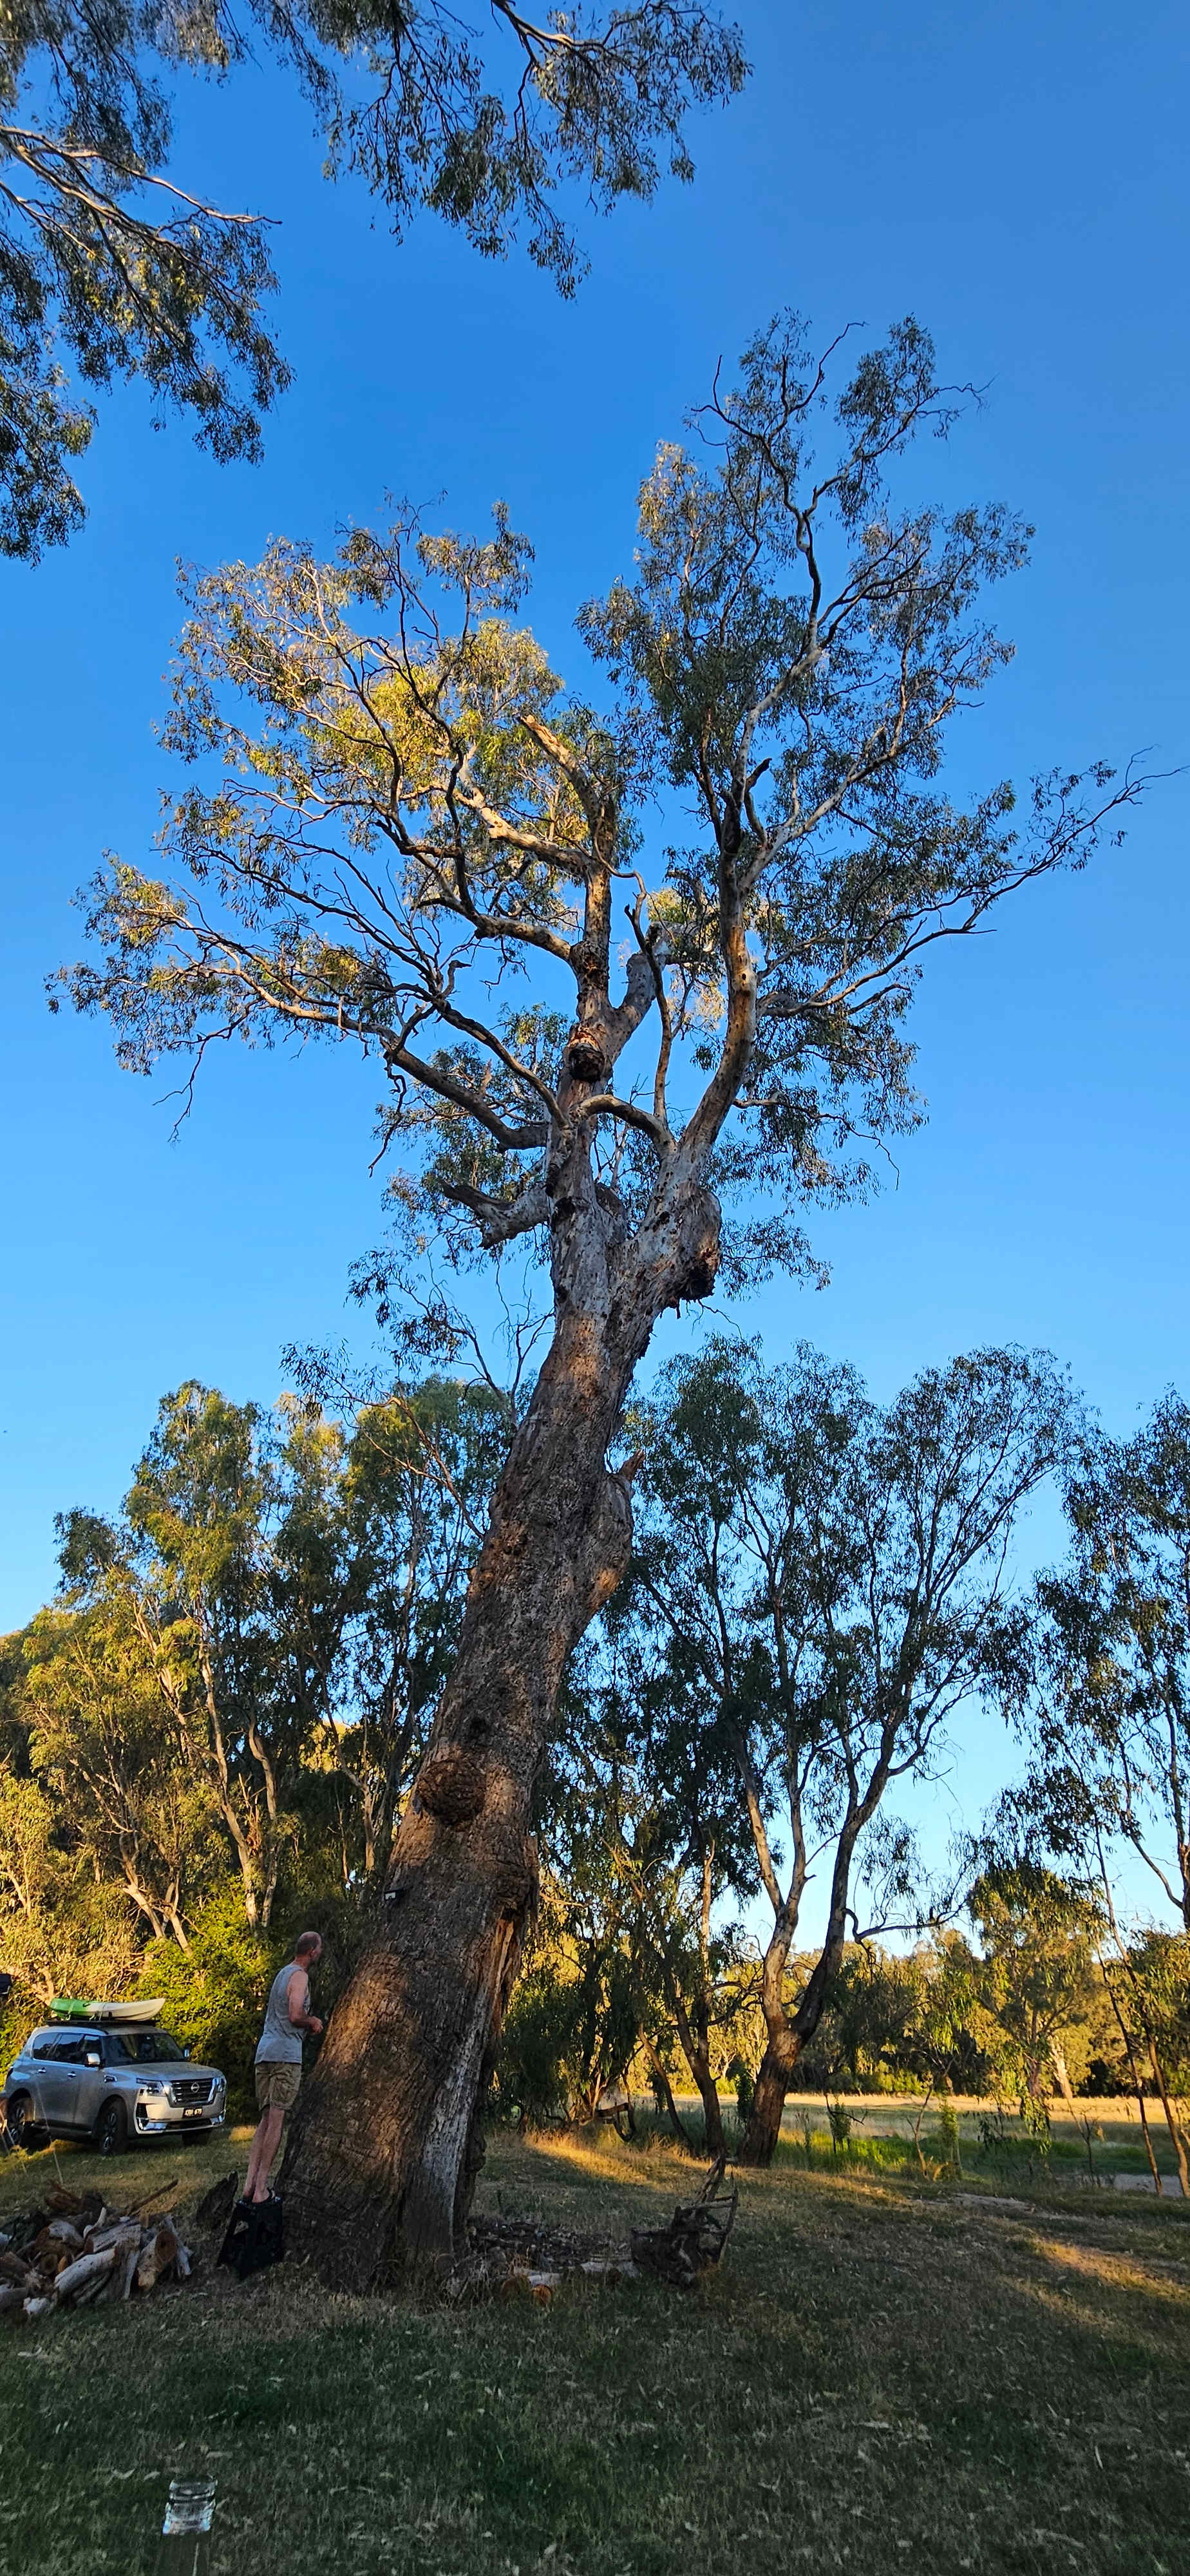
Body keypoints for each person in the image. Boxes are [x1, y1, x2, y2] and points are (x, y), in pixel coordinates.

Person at [243, 1931, 323, 2204]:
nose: (320, 1953)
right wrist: (312, 2022)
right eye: (319, 1948)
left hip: (264, 2053)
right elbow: (294, 2014)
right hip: (286, 2056)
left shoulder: (281, 1974)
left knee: (265, 2120)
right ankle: (262, 2188)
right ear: (312, 1951)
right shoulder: (300, 1976)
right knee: (277, 2121)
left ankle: (249, 2182)